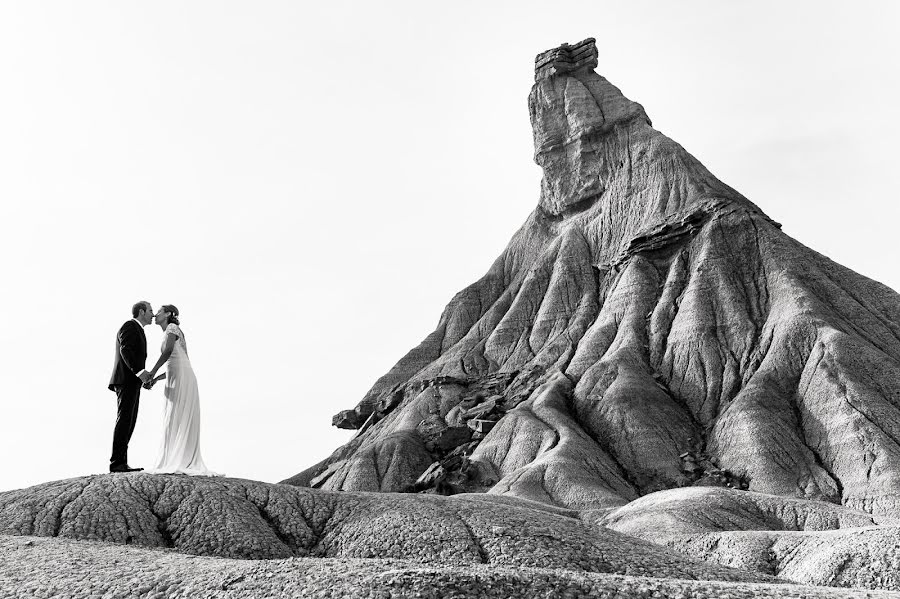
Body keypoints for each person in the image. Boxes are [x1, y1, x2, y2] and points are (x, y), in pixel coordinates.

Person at [144, 304, 218, 475]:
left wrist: (152, 371)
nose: (155, 314)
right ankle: (174, 457)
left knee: (178, 414)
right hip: (175, 376)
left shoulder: (172, 327)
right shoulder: (168, 331)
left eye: (160, 311)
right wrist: (156, 379)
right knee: (173, 416)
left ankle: (180, 459)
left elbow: (169, 352)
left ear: (169, 314)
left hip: (182, 377)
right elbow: (174, 362)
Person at [108, 301, 153, 473]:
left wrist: (142, 378)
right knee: (125, 419)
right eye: (150, 310)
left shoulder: (138, 329)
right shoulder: (129, 326)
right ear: (141, 311)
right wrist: (140, 372)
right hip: (125, 380)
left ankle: (122, 462)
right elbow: (125, 350)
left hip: (132, 381)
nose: (153, 314)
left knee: (130, 421)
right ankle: (117, 463)